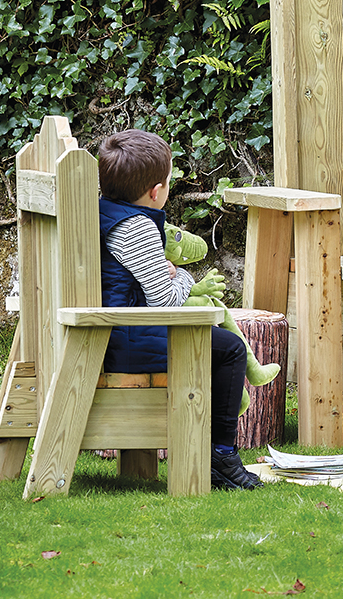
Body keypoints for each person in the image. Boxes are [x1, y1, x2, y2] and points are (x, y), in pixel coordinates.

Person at [97, 129, 262, 490]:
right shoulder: (136, 228)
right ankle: (220, 454)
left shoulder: (105, 211)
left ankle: (214, 452)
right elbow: (166, 301)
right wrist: (183, 275)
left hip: (114, 333)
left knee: (219, 344)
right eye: (170, 181)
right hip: (129, 340)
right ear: (156, 191)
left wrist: (167, 272)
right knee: (230, 349)